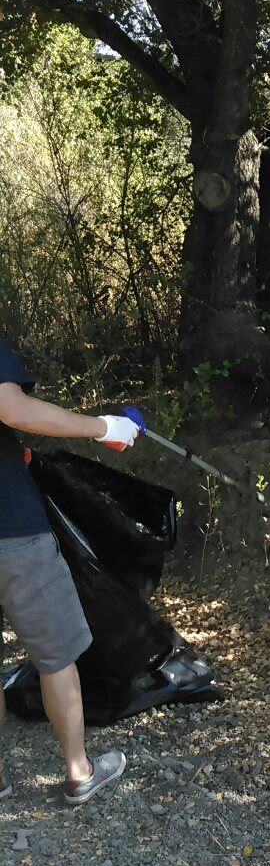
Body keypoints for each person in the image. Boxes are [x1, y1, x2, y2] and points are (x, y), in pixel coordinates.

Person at [0, 339, 139, 805]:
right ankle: (79, 771)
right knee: (56, 654)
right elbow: (12, 408)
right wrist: (103, 427)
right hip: (12, 531)